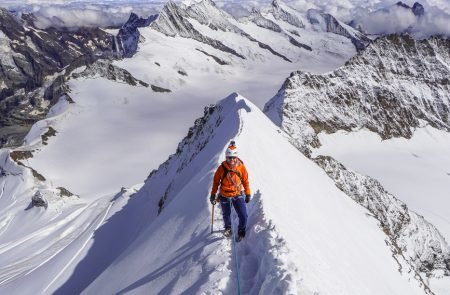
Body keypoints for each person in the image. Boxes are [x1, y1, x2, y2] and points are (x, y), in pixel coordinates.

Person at [210, 142, 251, 240]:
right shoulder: (221, 168)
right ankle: (228, 228)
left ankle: (241, 230)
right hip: (224, 195)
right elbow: (216, 182)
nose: (231, 160)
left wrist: (248, 193)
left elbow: (245, 181)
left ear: (236, 157)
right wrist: (213, 194)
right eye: (229, 157)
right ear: (226, 157)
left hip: (237, 194)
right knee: (226, 214)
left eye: (233, 157)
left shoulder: (241, 167)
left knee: (243, 215)